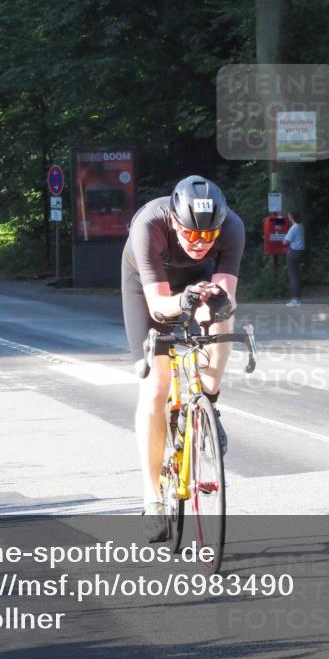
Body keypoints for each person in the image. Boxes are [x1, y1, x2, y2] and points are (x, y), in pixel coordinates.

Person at [121, 176, 245, 541]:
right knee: (156, 386)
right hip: (147, 283)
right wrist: (183, 301)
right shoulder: (149, 226)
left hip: (199, 280)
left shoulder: (232, 228)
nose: (199, 242)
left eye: (208, 237)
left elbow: (227, 296)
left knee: (222, 318)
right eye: (191, 234)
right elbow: (159, 308)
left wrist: (218, 302)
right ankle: (152, 498)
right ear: (174, 221)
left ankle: (208, 398)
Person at [283, 210, 305, 307]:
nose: (288, 217)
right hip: (299, 252)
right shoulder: (300, 226)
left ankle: (295, 299)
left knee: (293, 276)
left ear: (291, 216)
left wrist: (283, 239)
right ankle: (297, 298)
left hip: (293, 252)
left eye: (289, 215)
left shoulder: (294, 227)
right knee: (297, 275)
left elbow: (285, 242)